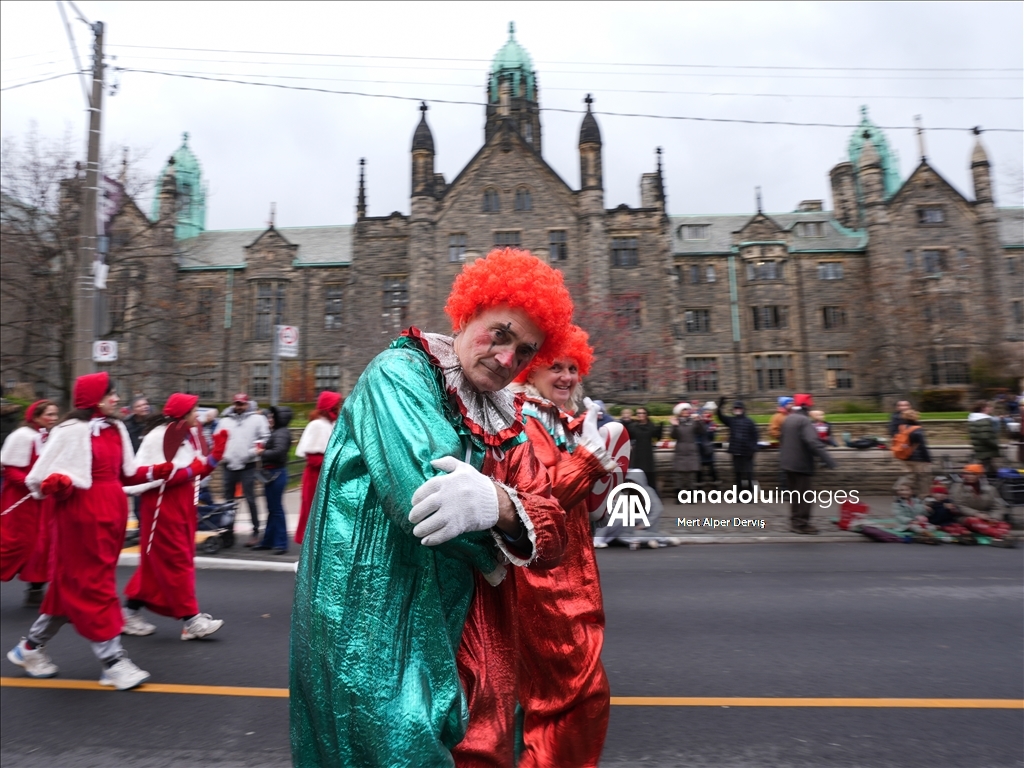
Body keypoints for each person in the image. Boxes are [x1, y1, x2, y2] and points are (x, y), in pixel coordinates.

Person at [290, 248, 571, 767]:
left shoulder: (506, 419)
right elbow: (423, 495)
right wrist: (501, 544)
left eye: (525, 351)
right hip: (376, 618)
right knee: (393, 749)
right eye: (500, 333)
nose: (508, 359)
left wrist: (500, 505)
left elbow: (554, 534)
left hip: (470, 629)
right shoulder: (399, 374)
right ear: (466, 315)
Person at [7, 372, 173, 690]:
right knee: (94, 586)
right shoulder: (69, 431)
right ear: (95, 398)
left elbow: (126, 474)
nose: (117, 399)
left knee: (71, 588)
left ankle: (28, 648)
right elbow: (39, 480)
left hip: (111, 515)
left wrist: (156, 471)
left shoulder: (117, 428)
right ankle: (112, 661)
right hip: (79, 517)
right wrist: (59, 485)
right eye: (111, 394)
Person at [508, 324, 619, 767]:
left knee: (538, 703)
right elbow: (534, 504)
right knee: (579, 697)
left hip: (570, 576)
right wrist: (589, 462)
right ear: (531, 371)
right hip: (544, 585)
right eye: (556, 367)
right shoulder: (521, 420)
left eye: (573, 368)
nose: (568, 376)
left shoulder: (558, 421)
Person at [122, 393, 228, 639]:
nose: (198, 415)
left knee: (155, 567)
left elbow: (197, 470)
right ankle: (191, 620)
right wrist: (193, 469)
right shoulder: (159, 437)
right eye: (194, 411)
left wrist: (216, 455)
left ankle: (129, 614)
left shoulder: (183, 436)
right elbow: (153, 476)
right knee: (177, 562)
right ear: (183, 414)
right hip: (162, 510)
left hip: (180, 507)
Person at [1, 400, 59, 606]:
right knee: (13, 543)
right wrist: (31, 484)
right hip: (20, 500)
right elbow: (9, 469)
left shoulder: (54, 437)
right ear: (35, 416)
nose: (53, 418)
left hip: (45, 501)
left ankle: (36, 589)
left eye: (55, 414)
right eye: (49, 414)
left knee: (43, 545)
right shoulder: (21, 436)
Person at [215, 394, 270, 547]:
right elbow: (217, 439)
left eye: (242, 404)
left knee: (250, 499)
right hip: (229, 465)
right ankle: (228, 533)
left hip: (248, 465)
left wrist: (252, 452)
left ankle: (255, 531)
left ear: (247, 404)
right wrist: (223, 455)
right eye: (237, 403)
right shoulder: (224, 420)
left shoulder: (257, 419)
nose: (239, 406)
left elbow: (265, 437)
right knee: (228, 502)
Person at [778, 393, 836, 534]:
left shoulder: (789, 418)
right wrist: (828, 459)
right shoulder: (804, 421)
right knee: (805, 496)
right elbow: (812, 442)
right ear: (805, 407)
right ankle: (802, 525)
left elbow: (782, 438)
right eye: (810, 407)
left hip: (788, 463)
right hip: (801, 464)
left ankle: (795, 522)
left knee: (795, 495)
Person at [294, 391, 341, 545]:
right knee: (314, 512)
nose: (338, 408)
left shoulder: (331, 424)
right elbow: (314, 458)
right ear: (329, 407)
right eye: (336, 406)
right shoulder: (317, 425)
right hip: (315, 477)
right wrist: (336, 462)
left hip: (324, 477)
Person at [255, 405, 293, 554]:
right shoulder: (279, 432)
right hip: (273, 474)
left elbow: (278, 452)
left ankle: (281, 543)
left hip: (275, 474)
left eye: (272, 417)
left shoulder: (281, 433)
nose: (269, 419)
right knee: (273, 509)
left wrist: (262, 452)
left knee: (276, 509)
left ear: (279, 418)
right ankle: (269, 541)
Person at [715, 398, 759, 493]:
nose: (737, 410)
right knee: (737, 474)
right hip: (736, 452)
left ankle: (750, 494)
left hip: (747, 453)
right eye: (736, 408)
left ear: (743, 409)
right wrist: (719, 407)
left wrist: (753, 449)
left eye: (739, 408)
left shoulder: (749, 422)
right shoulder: (732, 421)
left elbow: (755, 436)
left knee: (749, 474)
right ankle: (739, 494)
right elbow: (720, 417)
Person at [623, 406, 662, 496]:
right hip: (637, 454)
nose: (641, 415)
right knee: (637, 475)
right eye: (639, 413)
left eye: (643, 413)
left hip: (647, 452)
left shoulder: (651, 426)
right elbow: (627, 436)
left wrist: (660, 428)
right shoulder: (633, 426)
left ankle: (652, 495)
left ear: (646, 414)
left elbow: (657, 437)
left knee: (649, 474)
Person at [896, 409, 932, 500]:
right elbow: (923, 446)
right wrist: (928, 459)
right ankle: (924, 496)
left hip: (905, 457)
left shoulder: (901, 428)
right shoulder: (917, 430)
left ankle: (900, 489)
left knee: (909, 476)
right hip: (918, 458)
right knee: (924, 478)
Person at [669, 402, 703, 495]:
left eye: (687, 410)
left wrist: (699, 421)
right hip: (680, 450)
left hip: (691, 450)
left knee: (691, 476)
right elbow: (673, 436)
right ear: (679, 412)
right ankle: (679, 496)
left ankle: (691, 496)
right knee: (679, 476)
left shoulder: (693, 421)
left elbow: (701, 431)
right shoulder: (676, 421)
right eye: (683, 410)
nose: (685, 411)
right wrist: (675, 426)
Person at [967, 401, 1001, 477]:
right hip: (985, 449)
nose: (991, 409)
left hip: (981, 448)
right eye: (989, 407)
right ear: (983, 408)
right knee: (985, 469)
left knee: (988, 467)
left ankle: (995, 480)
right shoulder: (984, 420)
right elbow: (985, 437)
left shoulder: (975, 419)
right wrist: (995, 445)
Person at [697, 404, 718, 487]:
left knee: (712, 471)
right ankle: (699, 492)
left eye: (707, 413)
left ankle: (715, 491)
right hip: (699, 450)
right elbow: (696, 436)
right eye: (704, 413)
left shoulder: (712, 424)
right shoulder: (698, 424)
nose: (706, 415)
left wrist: (712, 431)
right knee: (699, 472)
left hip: (708, 450)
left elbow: (712, 438)